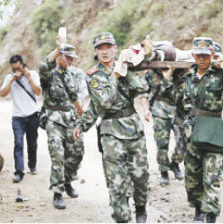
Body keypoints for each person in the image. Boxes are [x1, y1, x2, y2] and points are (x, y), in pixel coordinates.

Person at [73, 32, 151, 223]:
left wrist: (132, 65)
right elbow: (103, 103)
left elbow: (141, 88)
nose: (105, 51)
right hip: (110, 132)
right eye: (101, 48)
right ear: (95, 51)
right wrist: (83, 125)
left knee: (140, 176)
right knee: (116, 181)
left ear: (115, 49)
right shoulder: (92, 76)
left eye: (108, 47)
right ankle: (122, 217)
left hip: (133, 128)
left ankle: (141, 208)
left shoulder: (125, 67)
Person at [165, 37, 223, 223]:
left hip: (214, 131)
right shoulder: (187, 77)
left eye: (206, 55)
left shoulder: (220, 75)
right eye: (199, 55)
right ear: (193, 55)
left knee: (212, 178)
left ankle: (211, 216)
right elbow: (173, 98)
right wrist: (167, 79)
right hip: (192, 133)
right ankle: (198, 209)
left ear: (212, 55)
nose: (203, 59)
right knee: (192, 177)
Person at [39, 37, 86, 209]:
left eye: (72, 58)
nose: (70, 60)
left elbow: (81, 94)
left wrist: (81, 112)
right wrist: (56, 50)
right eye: (67, 56)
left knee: (77, 153)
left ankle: (67, 181)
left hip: (72, 118)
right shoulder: (49, 75)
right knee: (57, 155)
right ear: (58, 57)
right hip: (54, 119)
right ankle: (57, 192)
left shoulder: (77, 74)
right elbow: (43, 66)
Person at [0, 55, 41, 183]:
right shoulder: (9, 78)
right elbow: (2, 93)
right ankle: (19, 171)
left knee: (32, 143)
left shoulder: (33, 74)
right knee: (18, 144)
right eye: (13, 69)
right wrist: (12, 80)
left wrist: (29, 79)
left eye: (18, 68)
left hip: (32, 114)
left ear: (23, 65)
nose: (16, 71)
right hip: (17, 116)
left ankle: (32, 165)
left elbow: (38, 92)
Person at [145, 67, 184, 185]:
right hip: (160, 110)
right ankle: (163, 171)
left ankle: (175, 163)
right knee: (162, 143)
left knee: (183, 141)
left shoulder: (183, 72)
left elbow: (179, 95)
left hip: (179, 110)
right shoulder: (151, 74)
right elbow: (151, 92)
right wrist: (166, 79)